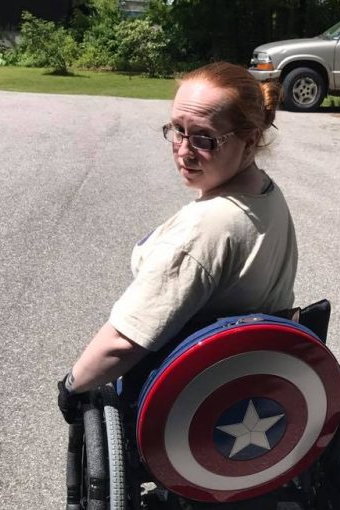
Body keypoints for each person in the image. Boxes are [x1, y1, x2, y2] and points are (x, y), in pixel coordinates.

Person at [58, 61, 298, 422]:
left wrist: (72, 385)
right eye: (178, 130)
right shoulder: (267, 193)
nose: (184, 151)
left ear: (249, 141)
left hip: (195, 405)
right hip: (261, 383)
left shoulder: (206, 228)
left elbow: (125, 342)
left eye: (204, 138)